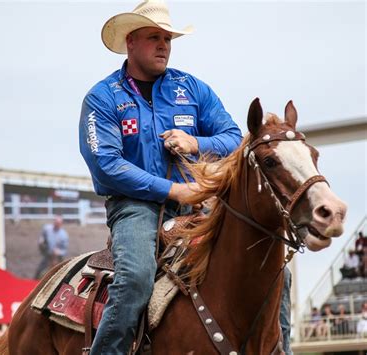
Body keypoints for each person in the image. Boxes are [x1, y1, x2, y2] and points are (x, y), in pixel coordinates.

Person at [79, 1, 290, 353]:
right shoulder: (103, 98)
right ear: (130, 42)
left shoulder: (192, 89)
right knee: (135, 279)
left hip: (196, 206)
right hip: (134, 208)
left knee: (273, 267)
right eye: (153, 37)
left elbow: (234, 139)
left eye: (168, 38)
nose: (163, 45)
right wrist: (173, 189)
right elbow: (106, 165)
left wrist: (195, 142)